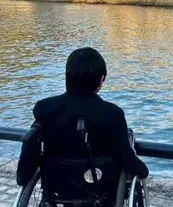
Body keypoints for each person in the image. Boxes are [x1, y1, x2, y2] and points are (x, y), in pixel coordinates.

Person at [17, 47, 149, 187]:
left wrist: (23, 178)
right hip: (100, 187)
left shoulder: (45, 109)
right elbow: (125, 157)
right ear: (101, 79)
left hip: (57, 186)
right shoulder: (112, 114)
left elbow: (30, 151)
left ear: (67, 76)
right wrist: (143, 171)